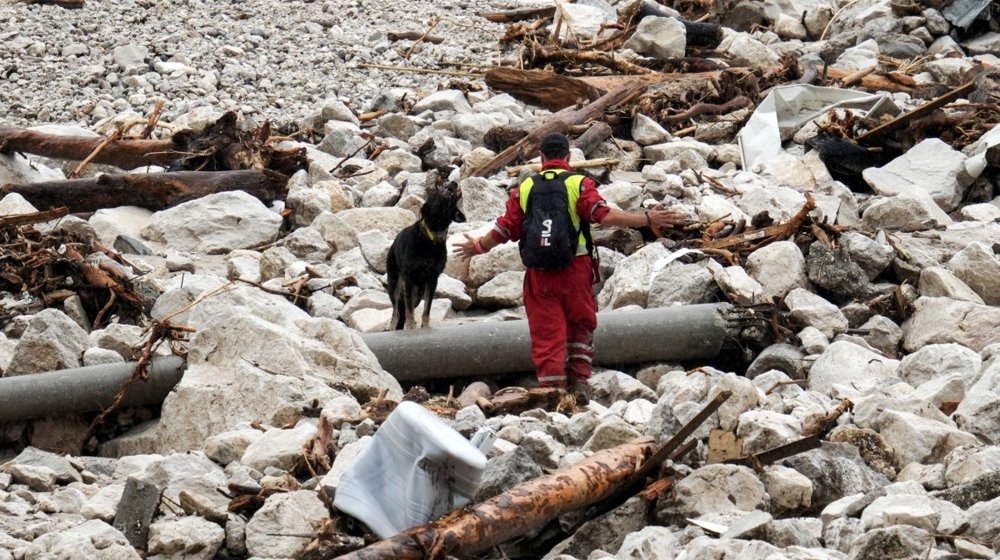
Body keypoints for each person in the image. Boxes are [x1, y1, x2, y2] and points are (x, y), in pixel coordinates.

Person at [453, 132, 686, 404]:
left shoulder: (525, 188)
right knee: (581, 326)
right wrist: (646, 219)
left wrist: (478, 246)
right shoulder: (579, 183)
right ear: (568, 157)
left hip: (540, 275)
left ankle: (554, 397)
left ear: (541, 158)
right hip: (577, 270)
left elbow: (505, 229)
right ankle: (580, 385)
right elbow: (603, 215)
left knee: (547, 335)